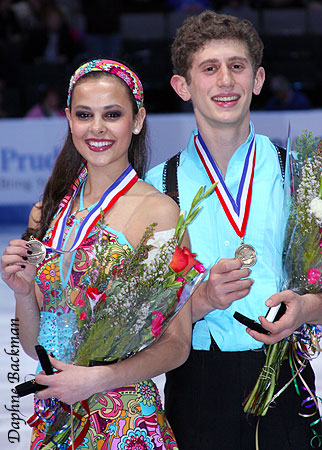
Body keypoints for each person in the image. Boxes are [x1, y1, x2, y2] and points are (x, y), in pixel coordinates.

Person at [145, 10, 322, 450]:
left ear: (258, 79)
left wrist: (307, 308)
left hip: (284, 377)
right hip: (196, 386)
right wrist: (200, 301)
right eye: (209, 68)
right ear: (183, 86)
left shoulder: (303, 177)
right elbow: (139, 320)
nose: (225, 80)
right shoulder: (155, 189)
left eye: (237, 66)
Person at [1, 58, 192, 449]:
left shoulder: (160, 213)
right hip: (55, 419)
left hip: (124, 422)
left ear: (137, 121)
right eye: (85, 115)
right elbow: (37, 341)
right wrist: (22, 293)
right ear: (69, 119)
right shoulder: (48, 211)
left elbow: (176, 344)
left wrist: (94, 380)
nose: (98, 128)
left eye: (113, 114)